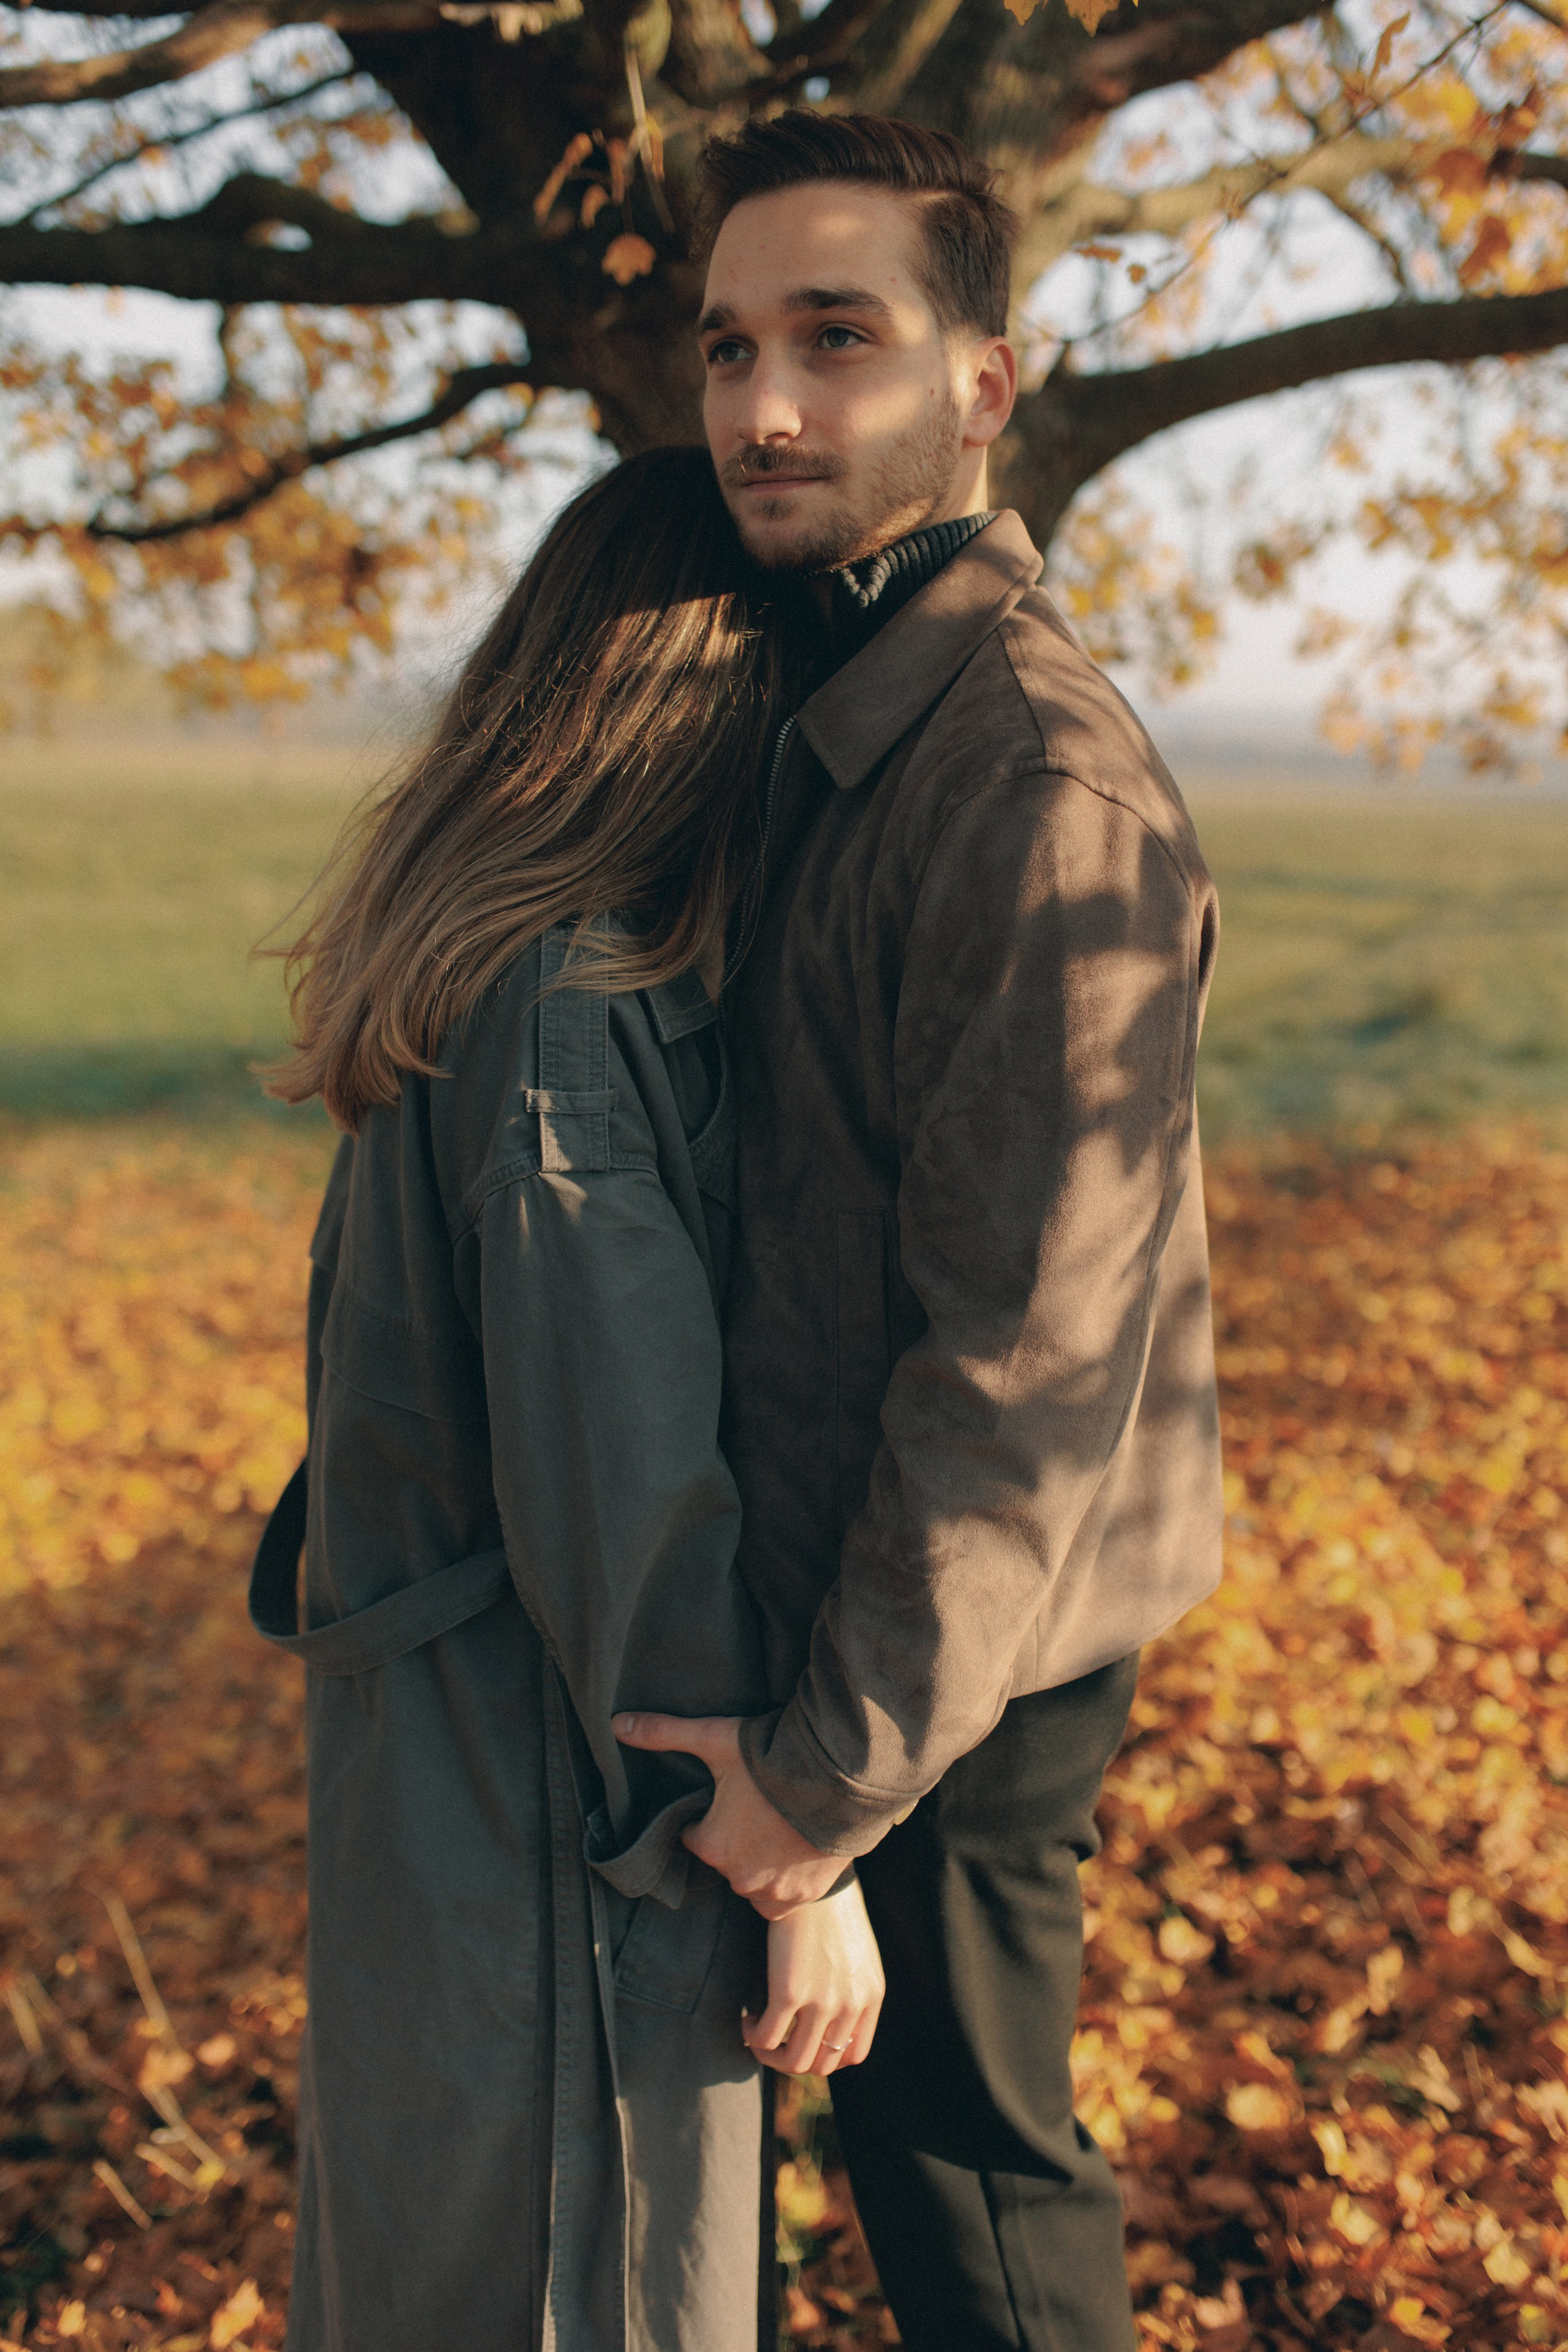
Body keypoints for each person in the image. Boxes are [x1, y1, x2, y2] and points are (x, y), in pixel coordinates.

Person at [614, 116, 1226, 2351]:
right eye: (729, 347)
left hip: (967, 1640)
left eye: (838, 341)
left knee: (972, 2198)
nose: (761, 408)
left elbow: (1026, 1373)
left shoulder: (1032, 794)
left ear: (984, 381)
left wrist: (820, 1790)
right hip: (858, 1593)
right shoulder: (826, 690)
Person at [252, 445, 884, 2352]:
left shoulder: (479, 960)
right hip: (564, 1820)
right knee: (576, 2288)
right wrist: (789, 1850)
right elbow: (624, 1510)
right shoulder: (577, 1013)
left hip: (450, 1797)